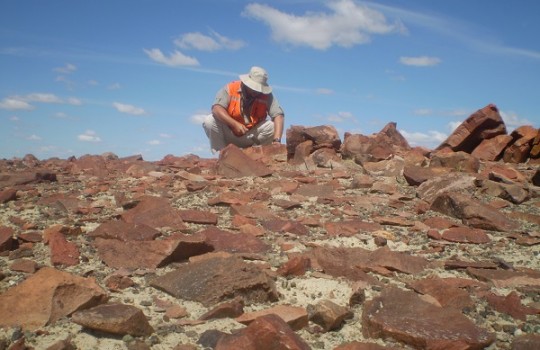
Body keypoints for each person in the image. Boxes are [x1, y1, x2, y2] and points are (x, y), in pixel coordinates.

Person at [203, 66, 285, 153]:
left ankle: (255, 156)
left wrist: (277, 141)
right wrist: (234, 124)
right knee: (210, 120)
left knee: (271, 126)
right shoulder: (231, 88)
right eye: (254, 88)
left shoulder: (266, 95)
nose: (256, 91)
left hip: (250, 135)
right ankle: (222, 154)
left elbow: (278, 115)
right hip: (229, 133)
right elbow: (216, 109)